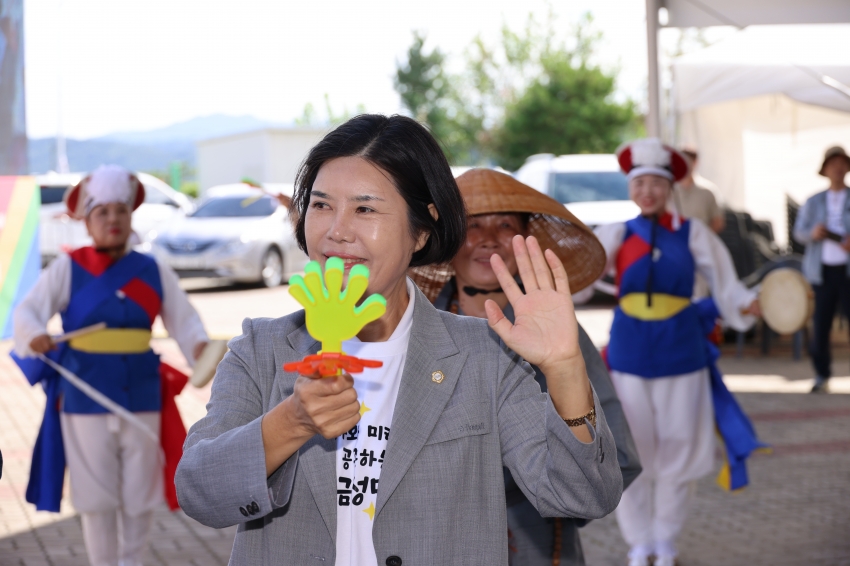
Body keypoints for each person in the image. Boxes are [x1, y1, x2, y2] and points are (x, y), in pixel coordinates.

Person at [175, 115, 623, 565]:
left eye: (365, 209)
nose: (336, 230)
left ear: (421, 230)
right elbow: (199, 493)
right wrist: (291, 422)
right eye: (321, 204)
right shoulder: (262, 348)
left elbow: (581, 496)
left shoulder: (487, 355)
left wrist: (565, 367)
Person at [410, 168, 642, 566]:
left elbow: (616, 455)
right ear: (447, 241)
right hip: (435, 541)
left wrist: (537, 475)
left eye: (505, 224)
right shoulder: (417, 329)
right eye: (471, 225)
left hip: (538, 543)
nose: (487, 239)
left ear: (525, 242)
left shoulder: (561, 334)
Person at [13, 165, 208, 566]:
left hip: (142, 390)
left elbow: (185, 321)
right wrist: (34, 335)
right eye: (102, 212)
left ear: (131, 215)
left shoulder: (152, 269)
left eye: (120, 210)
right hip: (83, 392)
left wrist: (203, 351)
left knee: (141, 493)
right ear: (86, 220)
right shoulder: (68, 267)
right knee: (96, 496)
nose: (113, 219)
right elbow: (28, 312)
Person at [593, 139, 761, 566]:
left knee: (679, 448)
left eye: (655, 183)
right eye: (639, 183)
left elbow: (724, 281)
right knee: (631, 451)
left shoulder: (693, 232)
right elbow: (581, 274)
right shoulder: (615, 233)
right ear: (631, 188)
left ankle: (665, 543)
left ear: (669, 187)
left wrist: (744, 304)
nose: (646, 191)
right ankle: (639, 544)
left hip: (681, 352)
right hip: (629, 351)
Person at [793, 145, 850, 394]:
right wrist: (813, 233)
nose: (837, 168)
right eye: (833, 163)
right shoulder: (814, 201)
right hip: (822, 272)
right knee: (821, 324)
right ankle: (821, 374)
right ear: (825, 169)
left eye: (842, 163)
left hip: (847, 273)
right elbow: (799, 232)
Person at [671, 149, 725, 234]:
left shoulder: (708, 191)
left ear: (695, 162)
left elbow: (717, 222)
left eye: (688, 161)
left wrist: (702, 239)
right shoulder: (670, 190)